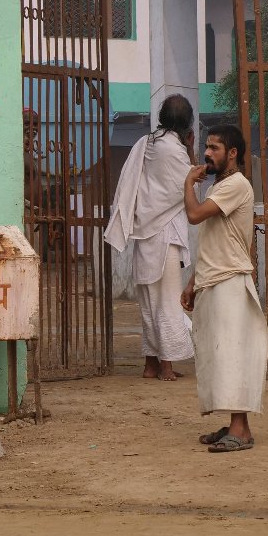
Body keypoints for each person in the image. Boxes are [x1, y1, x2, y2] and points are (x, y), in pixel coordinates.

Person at [180, 124, 266, 452]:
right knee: (217, 355)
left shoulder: (236, 185)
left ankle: (241, 429)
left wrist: (188, 183)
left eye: (214, 148)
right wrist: (193, 283)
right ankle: (234, 424)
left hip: (230, 281)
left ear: (232, 153)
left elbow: (194, 216)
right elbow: (211, 240)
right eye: (206, 146)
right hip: (214, 280)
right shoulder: (221, 185)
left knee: (232, 355)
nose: (206, 153)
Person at [104, 94, 196, 380]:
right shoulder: (175, 149)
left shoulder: (146, 143)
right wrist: (191, 149)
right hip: (165, 232)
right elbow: (189, 184)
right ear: (186, 123)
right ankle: (166, 363)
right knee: (167, 299)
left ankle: (150, 363)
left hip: (144, 232)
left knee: (148, 300)